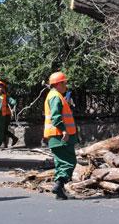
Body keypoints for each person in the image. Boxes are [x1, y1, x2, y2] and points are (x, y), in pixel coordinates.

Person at [44, 72, 77, 200]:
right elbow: (56, 117)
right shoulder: (55, 96)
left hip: (56, 136)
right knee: (69, 162)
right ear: (58, 84)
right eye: (64, 83)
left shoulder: (56, 96)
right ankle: (59, 185)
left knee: (60, 163)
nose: (66, 85)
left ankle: (60, 192)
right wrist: (64, 130)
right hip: (60, 136)